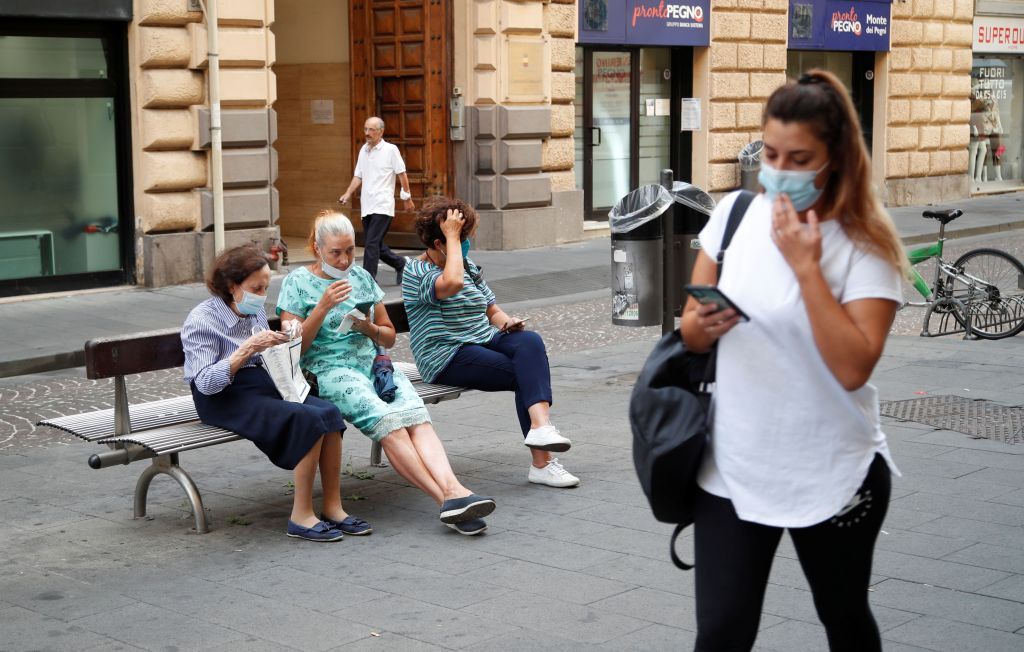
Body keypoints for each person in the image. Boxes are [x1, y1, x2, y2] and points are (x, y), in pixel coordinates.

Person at [679, 70, 906, 651]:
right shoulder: (733, 215)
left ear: (837, 158)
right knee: (722, 632)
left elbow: (855, 366)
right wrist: (700, 327)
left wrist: (807, 268)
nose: (778, 170)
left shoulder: (865, 243)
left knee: (844, 617)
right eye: (771, 152)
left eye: (799, 157)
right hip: (731, 464)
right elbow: (689, 331)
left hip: (831, 469)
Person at [277, 209, 496, 535]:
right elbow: (294, 349)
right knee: (389, 422)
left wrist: (367, 327)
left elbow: (389, 335)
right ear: (316, 248)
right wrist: (322, 307)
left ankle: (456, 490)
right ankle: (446, 500)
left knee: (416, 416)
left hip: (373, 366)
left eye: (350, 250)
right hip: (329, 370)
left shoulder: (361, 278)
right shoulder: (297, 283)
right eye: (335, 252)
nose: (343, 260)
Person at [182, 244, 371, 542]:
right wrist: (245, 350)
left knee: (330, 415)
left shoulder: (252, 310)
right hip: (223, 396)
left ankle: (333, 507)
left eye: (266, 287)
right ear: (232, 286)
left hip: (261, 384)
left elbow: (268, 356)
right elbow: (206, 382)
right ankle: (301, 515)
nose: (262, 295)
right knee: (306, 420)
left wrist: (285, 339)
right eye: (256, 287)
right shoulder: (202, 319)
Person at [403, 197, 580, 489]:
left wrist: (506, 322)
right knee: (526, 374)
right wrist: (450, 237)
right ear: (438, 243)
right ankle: (543, 463)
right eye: (461, 238)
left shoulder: (467, 265)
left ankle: (540, 427)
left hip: (483, 339)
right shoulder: (415, 273)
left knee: (530, 343)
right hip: (447, 353)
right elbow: (453, 283)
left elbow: (491, 309)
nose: (467, 244)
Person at [338, 116, 414, 285]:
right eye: (365, 129)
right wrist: (348, 193)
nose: (367, 133)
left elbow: (402, 173)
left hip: (383, 205)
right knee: (376, 244)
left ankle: (368, 280)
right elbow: (358, 175)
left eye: (371, 130)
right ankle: (400, 264)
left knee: (371, 243)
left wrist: (407, 197)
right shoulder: (363, 150)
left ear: (381, 132)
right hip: (368, 205)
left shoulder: (390, 150)